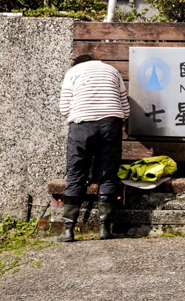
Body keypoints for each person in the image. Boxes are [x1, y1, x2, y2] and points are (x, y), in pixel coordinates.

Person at [57, 54, 129, 242]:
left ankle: (68, 230)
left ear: (77, 64)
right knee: (108, 174)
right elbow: (126, 109)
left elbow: (64, 109)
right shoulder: (112, 71)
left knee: (76, 174)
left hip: (82, 126)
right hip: (110, 124)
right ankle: (105, 229)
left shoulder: (73, 72)